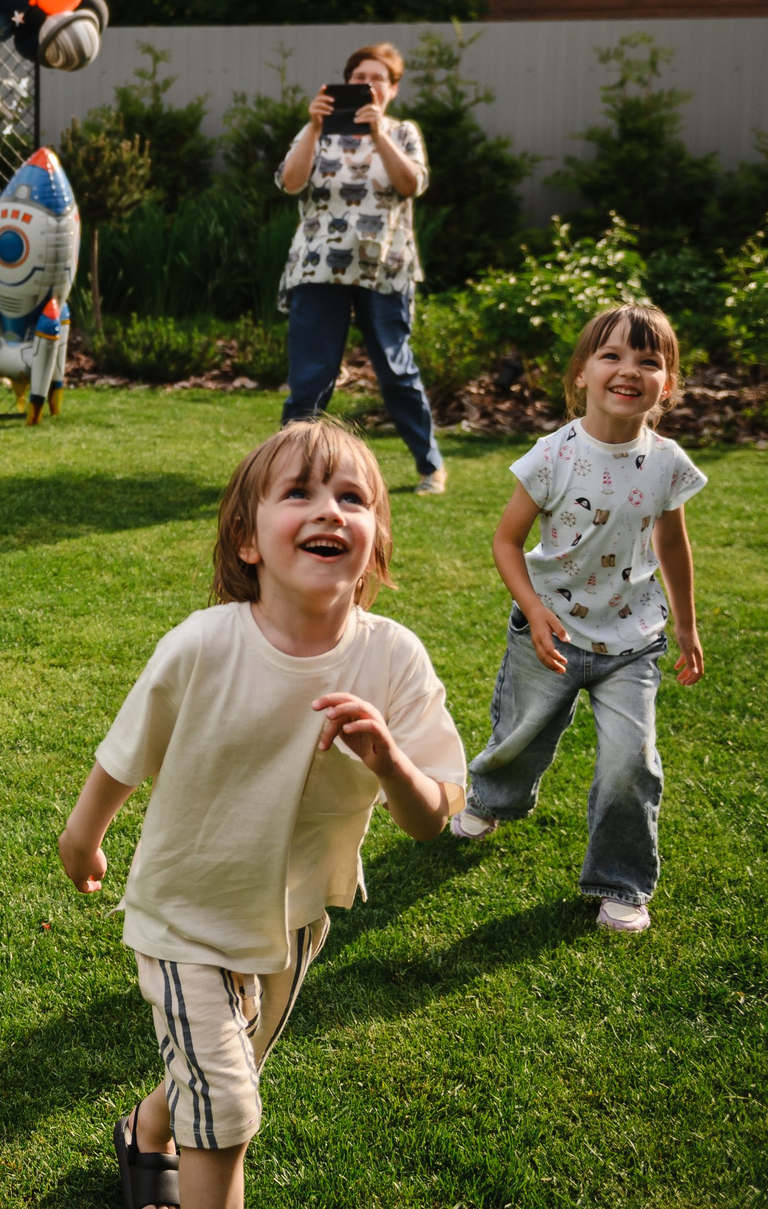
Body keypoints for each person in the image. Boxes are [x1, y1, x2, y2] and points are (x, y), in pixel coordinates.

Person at [57, 418, 466, 1209]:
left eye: (353, 497)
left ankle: (146, 1128)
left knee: (227, 1073)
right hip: (187, 910)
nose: (330, 509)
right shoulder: (203, 645)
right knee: (230, 1113)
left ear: (375, 541)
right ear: (249, 539)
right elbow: (125, 753)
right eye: (300, 493)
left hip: (294, 917)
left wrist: (390, 761)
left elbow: (429, 818)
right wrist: (82, 840)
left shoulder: (394, 658)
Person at [450, 304, 706, 935]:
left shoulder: (667, 461)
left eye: (649, 361)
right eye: (612, 355)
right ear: (582, 373)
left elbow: (673, 545)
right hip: (551, 632)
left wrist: (686, 625)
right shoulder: (552, 455)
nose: (630, 370)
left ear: (667, 384)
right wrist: (534, 609)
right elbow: (507, 541)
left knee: (631, 762)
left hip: (632, 641)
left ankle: (620, 882)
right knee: (521, 735)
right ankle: (491, 799)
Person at [274, 43, 445, 493]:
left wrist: (377, 134)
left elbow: (411, 184)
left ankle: (430, 466)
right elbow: (290, 182)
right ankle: (286, 474)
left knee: (397, 373)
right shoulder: (315, 130)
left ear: (392, 88)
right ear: (345, 84)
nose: (367, 85)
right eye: (358, 78)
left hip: (384, 270)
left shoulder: (403, 132)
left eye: (378, 79)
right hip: (318, 269)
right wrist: (314, 128)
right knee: (310, 378)